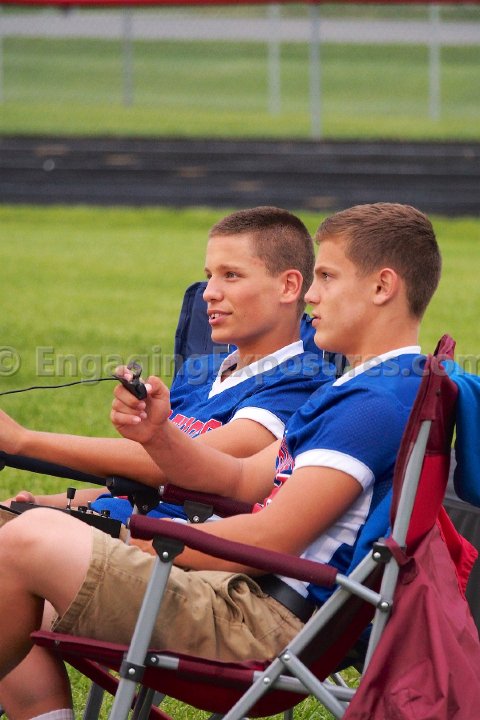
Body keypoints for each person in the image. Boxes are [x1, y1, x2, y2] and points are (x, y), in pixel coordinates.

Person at [0, 203, 442, 720]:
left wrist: (128, 537)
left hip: (260, 623)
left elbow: (269, 539)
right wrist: (159, 436)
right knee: (24, 555)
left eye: (326, 276)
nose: (312, 294)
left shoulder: (374, 405)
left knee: (27, 540)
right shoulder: (357, 390)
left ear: (382, 286)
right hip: (242, 597)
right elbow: (240, 478)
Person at [0, 206, 331, 522]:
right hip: (118, 525)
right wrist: (46, 504)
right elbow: (140, 487)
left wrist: (23, 441)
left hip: (165, 546)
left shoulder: (302, 385)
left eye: (231, 275)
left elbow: (174, 463)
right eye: (209, 276)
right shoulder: (201, 372)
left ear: (288, 286)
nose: (209, 293)